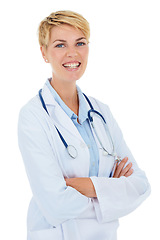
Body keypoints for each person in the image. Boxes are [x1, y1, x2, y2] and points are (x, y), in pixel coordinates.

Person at [18, 10, 151, 240]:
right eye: (60, 45)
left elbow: (140, 186)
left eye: (80, 43)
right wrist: (110, 189)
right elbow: (55, 205)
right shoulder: (33, 116)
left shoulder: (102, 112)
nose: (72, 53)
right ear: (44, 53)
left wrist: (81, 185)